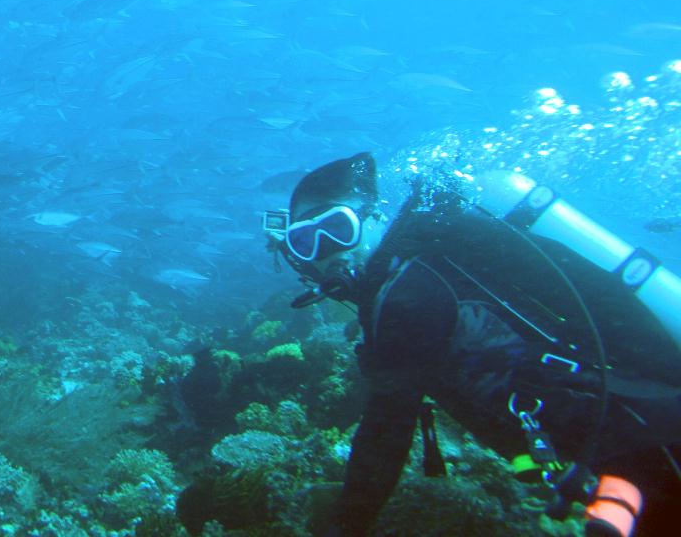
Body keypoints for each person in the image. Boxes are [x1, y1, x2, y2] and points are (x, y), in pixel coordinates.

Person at [266, 152, 681, 537]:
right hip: (630, 425)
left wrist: (347, 526)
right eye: (306, 242)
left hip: (640, 429)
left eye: (337, 229)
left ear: (373, 218)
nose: (325, 253)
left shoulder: (407, 293)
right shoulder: (431, 263)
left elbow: (386, 431)